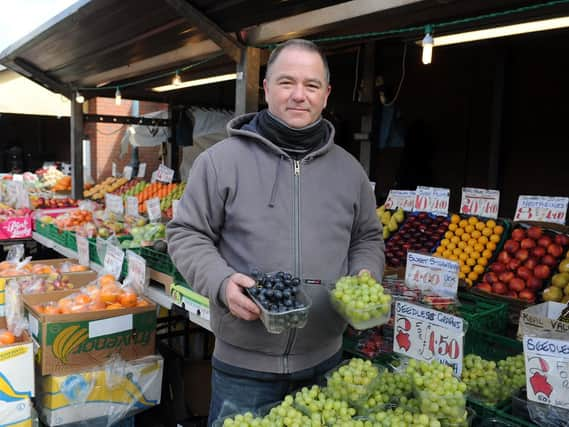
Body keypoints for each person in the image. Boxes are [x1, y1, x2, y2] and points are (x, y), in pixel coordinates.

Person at [167, 39, 384, 425]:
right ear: (266, 88)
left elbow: (367, 237)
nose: (299, 95)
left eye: (311, 85)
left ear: (326, 94)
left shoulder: (350, 171)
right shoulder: (219, 163)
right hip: (242, 370)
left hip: (325, 363)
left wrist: (366, 273)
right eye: (286, 82)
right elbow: (186, 233)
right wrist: (221, 282)